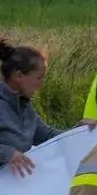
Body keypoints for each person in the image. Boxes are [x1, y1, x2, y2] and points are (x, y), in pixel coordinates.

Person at [1, 38, 57, 181]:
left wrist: (81, 130)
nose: (41, 85)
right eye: (39, 78)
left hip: (15, 192)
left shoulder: (25, 107)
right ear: (19, 76)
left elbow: (48, 136)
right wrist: (8, 153)